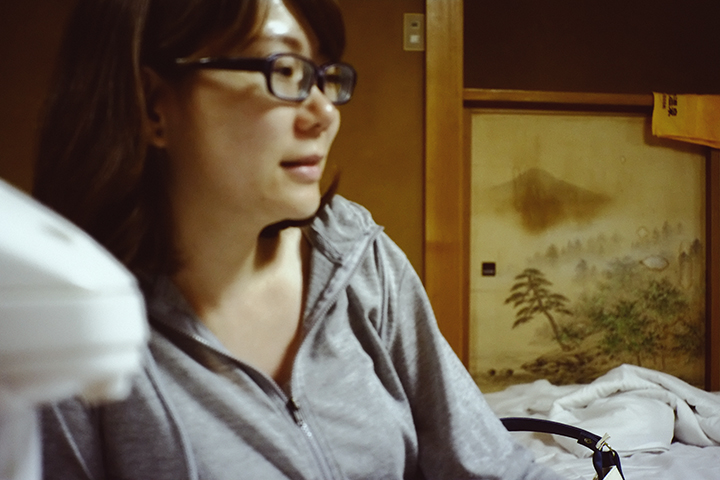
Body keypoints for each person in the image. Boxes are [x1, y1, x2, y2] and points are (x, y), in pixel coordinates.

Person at [35, 0, 565, 478]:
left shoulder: (357, 259)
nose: (325, 114)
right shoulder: (68, 338)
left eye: (321, 76)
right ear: (154, 104)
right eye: (282, 70)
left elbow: (492, 465)